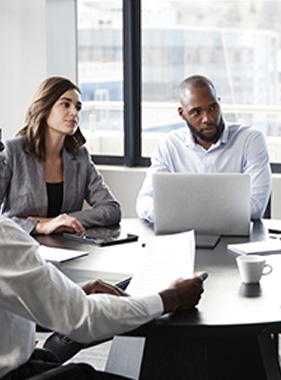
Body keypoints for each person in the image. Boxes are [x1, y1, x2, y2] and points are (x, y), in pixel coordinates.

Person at [0, 137, 207, 379]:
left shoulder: (78, 157)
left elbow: (110, 208)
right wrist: (169, 298)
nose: (2, 153)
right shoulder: (5, 236)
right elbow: (84, 318)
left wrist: (69, 292)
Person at [136, 74, 272, 222]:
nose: (207, 118)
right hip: (183, 235)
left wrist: (181, 215)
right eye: (196, 112)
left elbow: (256, 206)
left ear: (219, 104)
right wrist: (163, 215)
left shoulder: (250, 139)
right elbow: (145, 200)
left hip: (235, 238)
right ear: (182, 114)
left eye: (213, 108)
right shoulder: (169, 145)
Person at [0, 76, 121, 236]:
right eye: (65, 105)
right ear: (44, 108)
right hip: (21, 250)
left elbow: (111, 209)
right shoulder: (12, 151)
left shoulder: (80, 157)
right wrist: (37, 226)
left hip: (68, 250)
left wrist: (62, 220)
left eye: (78, 107)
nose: (74, 113)